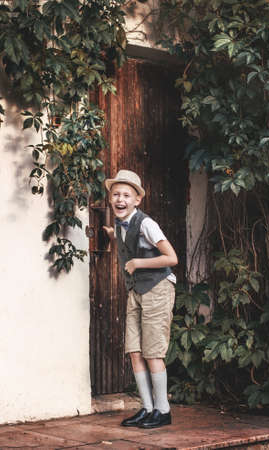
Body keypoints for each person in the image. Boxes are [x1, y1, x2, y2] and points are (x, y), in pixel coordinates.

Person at [103, 169, 178, 429]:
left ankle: (163, 410)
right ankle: (147, 408)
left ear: (137, 200)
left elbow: (171, 257)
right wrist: (112, 235)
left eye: (126, 195)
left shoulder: (146, 223)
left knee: (153, 351)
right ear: (110, 199)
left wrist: (138, 262)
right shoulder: (119, 224)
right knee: (134, 351)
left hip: (157, 288)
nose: (120, 199)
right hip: (136, 291)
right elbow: (123, 239)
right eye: (115, 195)